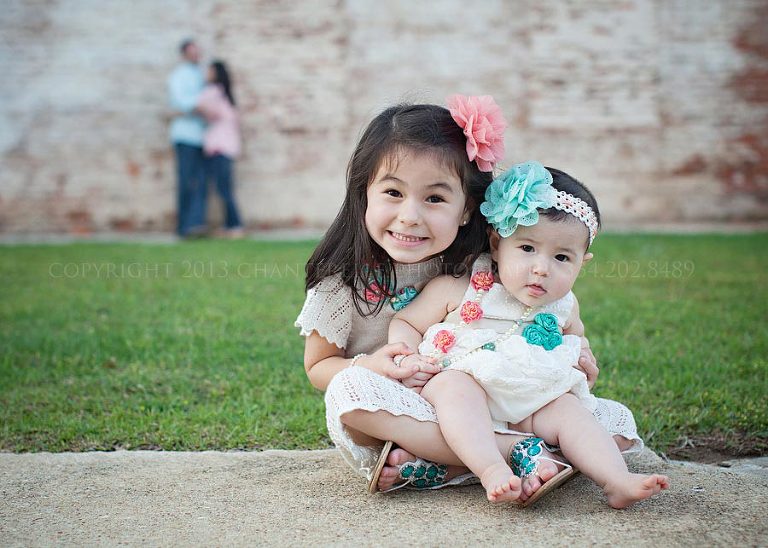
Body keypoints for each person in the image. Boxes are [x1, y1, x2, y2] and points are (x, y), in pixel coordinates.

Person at [295, 96, 643, 503]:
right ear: (364, 193)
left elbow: (545, 313)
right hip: (405, 409)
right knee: (350, 394)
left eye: (435, 198)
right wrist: (373, 364)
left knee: (615, 426)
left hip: (497, 400)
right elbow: (318, 366)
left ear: (466, 210)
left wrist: (578, 362)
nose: (410, 216)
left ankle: (441, 464)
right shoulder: (342, 281)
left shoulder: (485, 265)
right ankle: (516, 452)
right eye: (393, 192)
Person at [389, 161, 669, 507]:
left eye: (562, 257)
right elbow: (406, 322)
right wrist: (408, 356)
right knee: (455, 389)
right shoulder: (460, 286)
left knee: (571, 412)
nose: (541, 268)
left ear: (583, 263)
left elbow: (577, 339)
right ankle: (491, 468)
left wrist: (583, 354)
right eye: (527, 249)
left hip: (530, 401)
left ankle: (616, 480)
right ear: (496, 244)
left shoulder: (564, 305)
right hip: (463, 392)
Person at [196, 60, 245, 239]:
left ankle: (236, 225)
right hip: (227, 147)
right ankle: (230, 225)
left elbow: (199, 105)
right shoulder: (227, 96)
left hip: (219, 148)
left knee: (223, 189)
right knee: (224, 188)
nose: (206, 74)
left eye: (209, 71)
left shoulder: (213, 92)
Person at [167, 39, 207, 237]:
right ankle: (183, 227)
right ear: (184, 54)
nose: (196, 55)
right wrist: (201, 107)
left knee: (200, 182)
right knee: (185, 181)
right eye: (192, 52)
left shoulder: (200, 75)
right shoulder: (178, 76)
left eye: (197, 52)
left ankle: (197, 225)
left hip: (202, 137)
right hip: (185, 136)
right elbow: (183, 102)